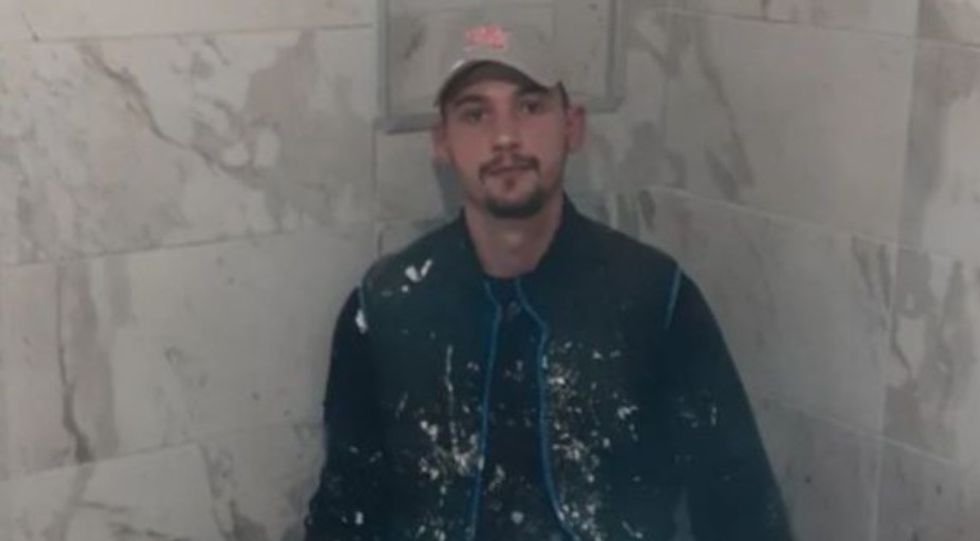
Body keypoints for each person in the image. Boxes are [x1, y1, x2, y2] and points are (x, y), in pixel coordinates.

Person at [304, 20, 793, 541]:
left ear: (572, 126)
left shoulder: (653, 298)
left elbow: (741, 508)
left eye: (530, 106)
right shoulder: (387, 308)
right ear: (442, 141)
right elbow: (344, 514)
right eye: (475, 114)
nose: (505, 137)